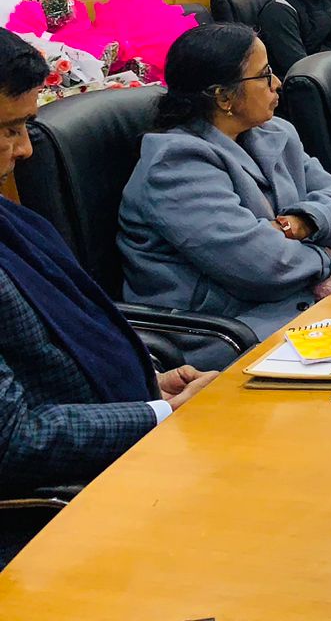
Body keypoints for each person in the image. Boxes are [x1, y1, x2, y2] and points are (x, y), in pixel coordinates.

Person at [0, 30, 218, 565]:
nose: (25, 149)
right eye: (8, 130)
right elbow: (14, 439)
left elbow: (64, 338)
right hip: (60, 514)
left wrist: (148, 382)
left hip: (121, 447)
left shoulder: (13, 222)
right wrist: (156, 413)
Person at [119, 24, 331, 370]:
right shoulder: (176, 164)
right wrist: (323, 256)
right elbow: (264, 265)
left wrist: (303, 223)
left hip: (295, 303)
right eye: (264, 75)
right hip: (228, 331)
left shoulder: (275, 132)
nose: (277, 83)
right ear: (223, 97)